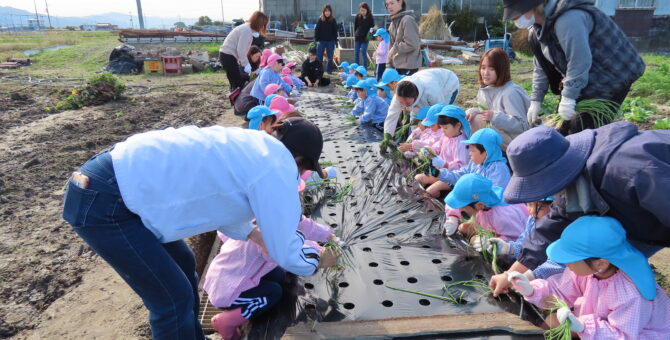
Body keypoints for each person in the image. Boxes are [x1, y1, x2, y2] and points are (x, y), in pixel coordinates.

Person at [61, 117, 337, 339]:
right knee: (172, 298)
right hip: (107, 202)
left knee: (184, 262)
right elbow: (286, 248)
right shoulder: (277, 165)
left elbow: (219, 203)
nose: (298, 177)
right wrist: (317, 258)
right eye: (303, 171)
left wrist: (253, 233)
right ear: (300, 160)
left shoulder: (255, 147)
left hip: (116, 187)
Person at [490, 123, 670, 297]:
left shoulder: (630, 171)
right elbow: (554, 224)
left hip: (655, 215)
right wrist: (509, 275)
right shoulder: (569, 173)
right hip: (639, 221)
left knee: (627, 281)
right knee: (619, 274)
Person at [508, 216, 670, 338]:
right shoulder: (588, 271)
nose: (565, 263)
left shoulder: (630, 294)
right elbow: (561, 290)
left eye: (571, 259)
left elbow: (623, 335)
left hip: (637, 333)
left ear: (601, 263)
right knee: (552, 322)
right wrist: (530, 289)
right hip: (604, 322)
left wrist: (582, 327)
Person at [503, 0, 645, 135]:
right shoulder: (537, 30)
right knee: (565, 127)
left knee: (584, 130)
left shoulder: (568, 19)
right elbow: (541, 65)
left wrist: (569, 97)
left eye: (516, 14)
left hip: (613, 76)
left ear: (533, 6)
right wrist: (536, 100)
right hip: (586, 75)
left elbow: (579, 60)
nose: (513, 19)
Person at [205, 218, 336, 339]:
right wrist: (320, 259)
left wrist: (328, 236)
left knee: (278, 275)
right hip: (228, 292)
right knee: (273, 293)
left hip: (225, 275)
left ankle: (241, 306)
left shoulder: (254, 219)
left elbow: (302, 224)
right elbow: (291, 258)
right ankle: (226, 321)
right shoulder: (267, 238)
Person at [474, 196, 565, 280]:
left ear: (554, 207)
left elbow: (559, 264)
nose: (532, 211)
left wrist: (532, 276)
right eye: (529, 204)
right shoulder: (532, 220)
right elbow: (524, 242)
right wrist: (509, 248)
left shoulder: (561, 227)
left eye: (540, 207)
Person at [380, 68, 460, 150]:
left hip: (448, 84)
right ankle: (416, 143)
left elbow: (440, 112)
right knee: (417, 120)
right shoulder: (400, 92)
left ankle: (438, 145)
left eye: (407, 104)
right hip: (428, 81)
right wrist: (388, 135)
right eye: (401, 102)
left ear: (414, 97)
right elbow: (392, 114)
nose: (404, 105)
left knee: (438, 121)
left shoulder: (432, 92)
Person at [466, 48, 530, 149]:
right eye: (483, 68)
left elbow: (523, 126)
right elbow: (485, 112)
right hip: (502, 135)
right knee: (469, 117)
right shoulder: (485, 89)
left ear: (501, 70)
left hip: (519, 142)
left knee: (477, 120)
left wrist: (495, 117)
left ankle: (487, 155)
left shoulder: (510, 92)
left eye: (491, 69)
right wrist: (473, 111)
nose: (485, 73)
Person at [444, 174, 527, 241]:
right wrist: (452, 217)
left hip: (514, 236)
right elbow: (455, 201)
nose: (460, 209)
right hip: (490, 227)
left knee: (474, 239)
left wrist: (493, 243)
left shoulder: (503, 217)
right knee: (464, 228)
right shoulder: (484, 196)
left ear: (479, 205)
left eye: (461, 206)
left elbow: (517, 240)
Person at [415, 105, 470, 198]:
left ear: (458, 125)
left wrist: (445, 164)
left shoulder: (462, 143)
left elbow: (461, 167)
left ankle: (442, 193)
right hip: (440, 172)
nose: (443, 131)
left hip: (452, 176)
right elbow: (437, 147)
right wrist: (428, 151)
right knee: (417, 178)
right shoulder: (445, 136)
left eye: (445, 128)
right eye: (441, 128)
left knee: (430, 192)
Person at [219, 11, 269, 104]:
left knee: (234, 81)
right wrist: (246, 64)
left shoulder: (247, 29)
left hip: (228, 56)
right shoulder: (246, 30)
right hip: (228, 56)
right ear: (258, 22)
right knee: (237, 81)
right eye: (262, 24)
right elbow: (241, 50)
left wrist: (245, 63)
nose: (263, 27)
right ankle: (239, 104)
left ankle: (235, 102)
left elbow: (243, 49)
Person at [385, 0, 421, 75]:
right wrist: (389, 65)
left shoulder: (408, 19)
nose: (389, 7)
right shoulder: (392, 24)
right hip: (397, 67)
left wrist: (395, 48)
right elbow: (391, 47)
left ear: (400, 2)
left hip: (409, 67)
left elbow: (412, 44)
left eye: (392, 3)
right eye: (387, 4)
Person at [314, 4, 338, 74]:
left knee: (330, 57)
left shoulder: (333, 20)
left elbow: (335, 31)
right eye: (326, 11)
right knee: (319, 57)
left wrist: (335, 41)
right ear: (323, 12)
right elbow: (317, 30)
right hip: (321, 41)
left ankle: (329, 71)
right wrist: (317, 40)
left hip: (330, 41)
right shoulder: (320, 19)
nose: (327, 12)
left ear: (331, 12)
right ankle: (319, 71)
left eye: (328, 11)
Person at [354, 2, 374, 69]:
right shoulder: (358, 16)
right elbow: (355, 26)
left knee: (363, 53)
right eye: (361, 10)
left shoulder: (370, 17)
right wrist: (355, 34)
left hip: (365, 38)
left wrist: (369, 36)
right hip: (358, 37)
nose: (362, 12)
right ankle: (357, 68)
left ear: (367, 10)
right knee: (356, 53)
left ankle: (365, 68)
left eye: (364, 10)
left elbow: (371, 28)